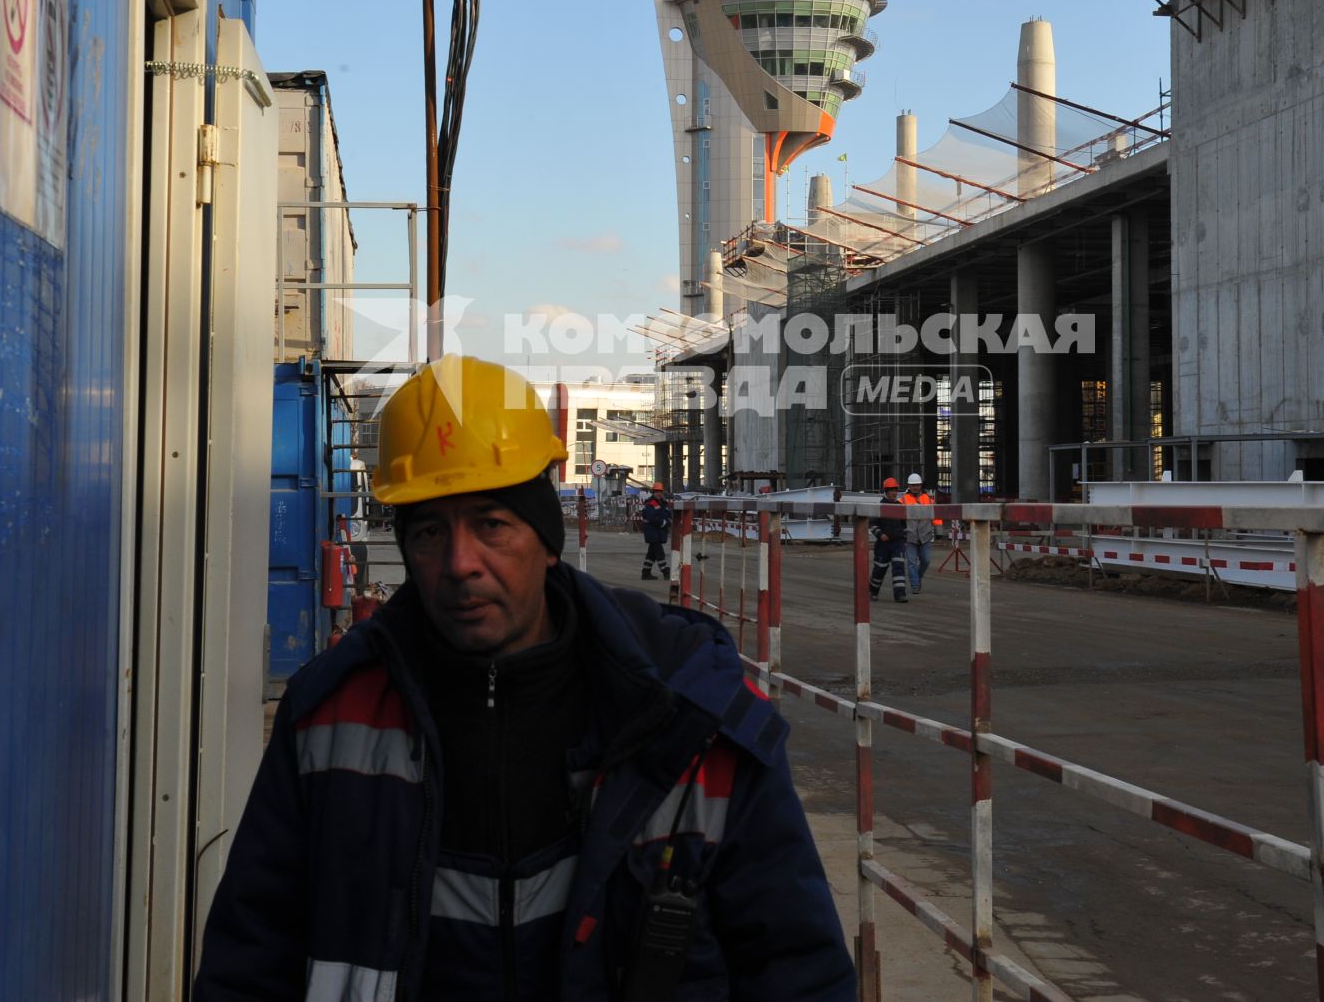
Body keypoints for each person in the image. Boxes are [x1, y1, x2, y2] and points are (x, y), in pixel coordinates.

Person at [195, 355, 854, 1002]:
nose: (459, 563)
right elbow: (250, 962)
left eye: (491, 523)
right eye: (428, 530)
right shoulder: (329, 715)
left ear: (545, 536)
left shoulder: (689, 715)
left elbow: (798, 968)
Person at [867, 477, 908, 603]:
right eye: (891, 490)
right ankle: (873, 591)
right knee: (880, 568)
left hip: (897, 543)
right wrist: (880, 534)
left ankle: (900, 595)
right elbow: (872, 525)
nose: (894, 493)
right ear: (886, 491)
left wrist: (904, 540)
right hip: (883, 544)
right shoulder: (880, 507)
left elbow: (904, 525)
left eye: (895, 490)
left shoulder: (900, 507)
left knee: (899, 568)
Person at [900, 473, 940, 596]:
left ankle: (918, 576)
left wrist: (939, 532)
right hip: (910, 536)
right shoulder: (903, 501)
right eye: (913, 485)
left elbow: (936, 516)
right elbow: (899, 519)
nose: (915, 487)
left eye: (917, 485)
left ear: (920, 485)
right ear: (909, 486)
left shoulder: (928, 499)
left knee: (926, 560)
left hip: (925, 536)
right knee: (911, 563)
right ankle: (915, 584)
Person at [640, 483, 672, 582]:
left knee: (652, 554)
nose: (658, 493)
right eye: (656, 491)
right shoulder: (651, 503)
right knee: (659, 553)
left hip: (659, 531)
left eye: (660, 492)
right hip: (652, 531)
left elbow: (668, 514)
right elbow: (651, 517)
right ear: (653, 492)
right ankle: (665, 571)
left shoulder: (663, 503)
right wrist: (664, 522)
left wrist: (668, 521)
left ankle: (646, 572)